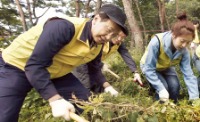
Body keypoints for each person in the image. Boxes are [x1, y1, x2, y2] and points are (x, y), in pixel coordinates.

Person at [0, 4, 128, 122]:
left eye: (114, 34)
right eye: (109, 29)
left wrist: (107, 87)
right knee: (6, 116)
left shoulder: (99, 45)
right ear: (96, 19)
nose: (108, 37)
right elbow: (34, 66)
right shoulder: (64, 27)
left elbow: (94, 69)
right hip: (16, 66)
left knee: (87, 103)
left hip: (55, 71)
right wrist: (55, 99)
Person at [140, 12, 199, 103]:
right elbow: (149, 68)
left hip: (165, 67)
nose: (184, 45)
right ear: (174, 35)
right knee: (164, 87)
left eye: (188, 42)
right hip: (149, 66)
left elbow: (189, 75)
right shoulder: (157, 42)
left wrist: (195, 98)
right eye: (182, 41)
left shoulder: (184, 51)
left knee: (175, 86)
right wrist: (161, 89)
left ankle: (173, 108)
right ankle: (160, 108)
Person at [72, 31, 143, 94]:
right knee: (85, 84)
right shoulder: (102, 41)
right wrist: (100, 65)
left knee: (97, 86)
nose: (119, 39)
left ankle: (95, 99)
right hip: (81, 62)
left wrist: (135, 72)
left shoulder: (119, 43)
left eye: (122, 37)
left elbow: (126, 55)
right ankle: (81, 101)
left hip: (94, 63)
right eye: (118, 36)